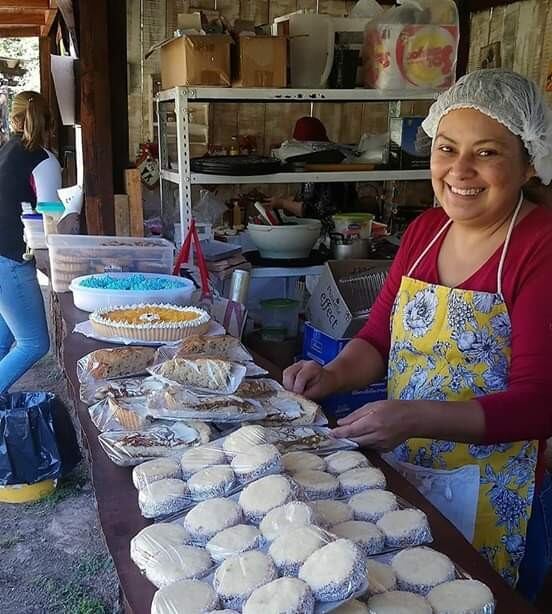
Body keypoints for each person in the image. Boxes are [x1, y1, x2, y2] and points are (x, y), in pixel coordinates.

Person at [284, 69, 552, 600]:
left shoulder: (538, 247)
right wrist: (331, 375)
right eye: (447, 148)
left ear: (529, 164)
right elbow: (379, 339)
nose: (460, 170)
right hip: (410, 471)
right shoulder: (428, 231)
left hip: (500, 492)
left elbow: (540, 403)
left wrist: (411, 417)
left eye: (488, 153)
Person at [0, 91, 61, 393]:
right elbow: (50, 213)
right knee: (33, 343)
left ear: (14, 118)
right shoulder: (44, 160)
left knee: (3, 340)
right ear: (49, 124)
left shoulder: (6, 150)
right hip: (9, 258)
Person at [265, 116, 357, 234]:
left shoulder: (327, 170)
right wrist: (279, 201)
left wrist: (282, 203)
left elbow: (313, 209)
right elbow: (306, 197)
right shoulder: (313, 166)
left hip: (335, 233)